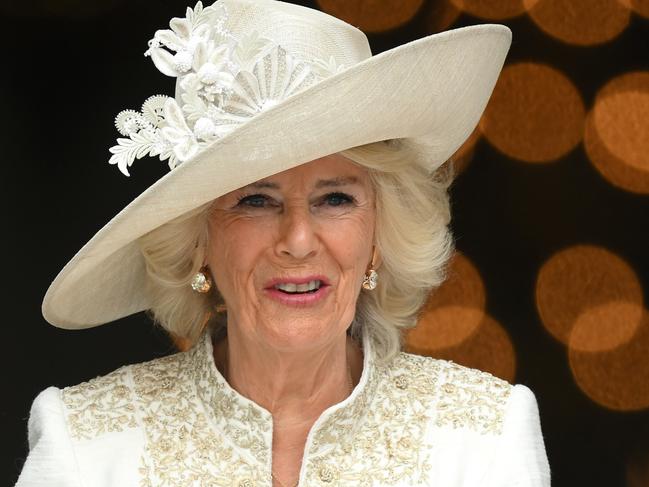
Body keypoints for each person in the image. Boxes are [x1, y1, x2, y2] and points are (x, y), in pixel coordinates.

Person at [16, 0, 551, 485]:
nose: (297, 242)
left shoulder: (487, 440)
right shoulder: (85, 445)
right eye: (256, 201)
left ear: (379, 235)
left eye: (335, 199)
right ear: (197, 240)